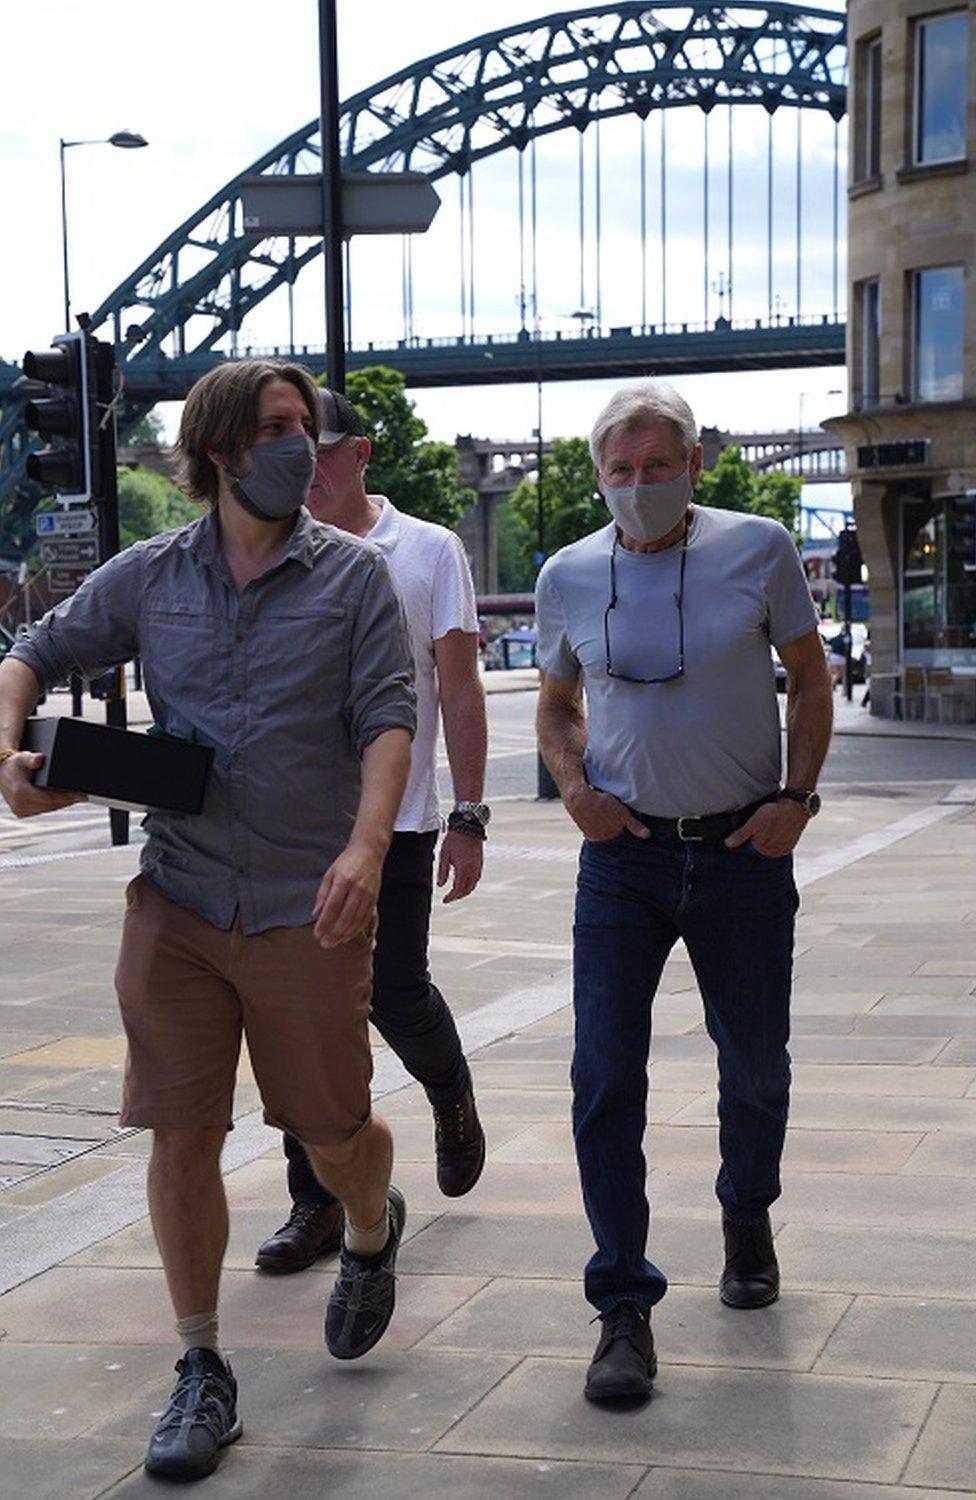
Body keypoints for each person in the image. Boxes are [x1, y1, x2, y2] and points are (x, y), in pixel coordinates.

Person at [0, 360, 417, 1481]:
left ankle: (371, 1229)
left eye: (310, 431)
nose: (305, 447)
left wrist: (366, 850)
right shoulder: (151, 577)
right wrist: (11, 748)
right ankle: (200, 1368)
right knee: (181, 1132)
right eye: (282, 428)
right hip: (178, 903)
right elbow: (30, 653)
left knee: (336, 1136)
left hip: (306, 910)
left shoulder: (356, 581)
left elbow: (389, 721)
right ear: (227, 448)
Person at [535, 382, 833, 1404]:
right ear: (598, 477)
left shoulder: (758, 550)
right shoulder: (568, 572)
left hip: (744, 852)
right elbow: (557, 702)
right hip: (623, 860)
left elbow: (811, 675)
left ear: (693, 466)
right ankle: (623, 1303)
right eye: (620, 471)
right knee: (602, 1076)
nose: (639, 486)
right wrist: (573, 788)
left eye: (659, 466)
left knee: (754, 1066)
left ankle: (745, 1213)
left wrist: (795, 797)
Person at [255, 387, 489, 1275]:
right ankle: (315, 1203)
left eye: (316, 451)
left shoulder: (426, 550)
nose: (299, 470)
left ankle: (451, 1093)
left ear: (360, 455)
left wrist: (468, 813)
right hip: (294, 827)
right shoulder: (272, 546)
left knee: (393, 993)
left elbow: (460, 688)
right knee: (300, 1016)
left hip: (398, 825)